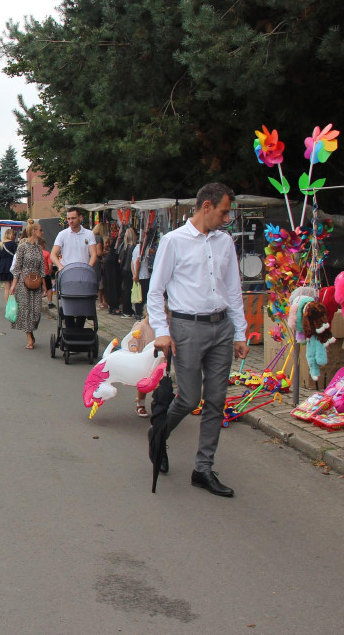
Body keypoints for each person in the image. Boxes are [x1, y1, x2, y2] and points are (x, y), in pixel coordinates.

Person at [149, 182, 249, 498]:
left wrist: (241, 331)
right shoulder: (173, 241)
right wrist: (162, 331)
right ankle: (158, 434)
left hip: (222, 329)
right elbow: (155, 290)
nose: (227, 217)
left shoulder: (225, 242)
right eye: (223, 211)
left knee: (216, 400)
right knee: (190, 399)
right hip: (186, 328)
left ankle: (203, 468)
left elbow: (233, 289)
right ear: (206, 207)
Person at [7, 220, 46, 349]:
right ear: (34, 231)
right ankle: (29, 336)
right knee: (26, 310)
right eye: (40, 230)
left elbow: (42, 268)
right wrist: (13, 285)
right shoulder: (22, 247)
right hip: (24, 283)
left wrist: (44, 285)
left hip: (37, 283)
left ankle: (31, 330)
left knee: (36, 312)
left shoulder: (39, 248)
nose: (42, 232)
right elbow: (17, 267)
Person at [51, 206, 98, 272]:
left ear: (80, 218)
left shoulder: (89, 234)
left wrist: (88, 268)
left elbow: (94, 254)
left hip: (84, 272)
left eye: (73, 218)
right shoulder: (62, 234)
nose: (71, 221)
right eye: (68, 219)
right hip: (67, 273)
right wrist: (60, 266)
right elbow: (53, 254)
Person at [131, 234, 152, 319]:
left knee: (138, 294)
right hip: (143, 275)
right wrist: (136, 274)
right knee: (142, 295)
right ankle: (140, 313)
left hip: (138, 275)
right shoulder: (142, 249)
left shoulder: (136, 247)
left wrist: (134, 274)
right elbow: (137, 262)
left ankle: (138, 312)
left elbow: (132, 262)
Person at [119, 227, 138, 318]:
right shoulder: (134, 247)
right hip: (130, 270)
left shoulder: (124, 247)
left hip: (124, 270)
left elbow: (120, 259)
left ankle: (126, 309)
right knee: (129, 291)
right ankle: (128, 310)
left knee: (127, 290)